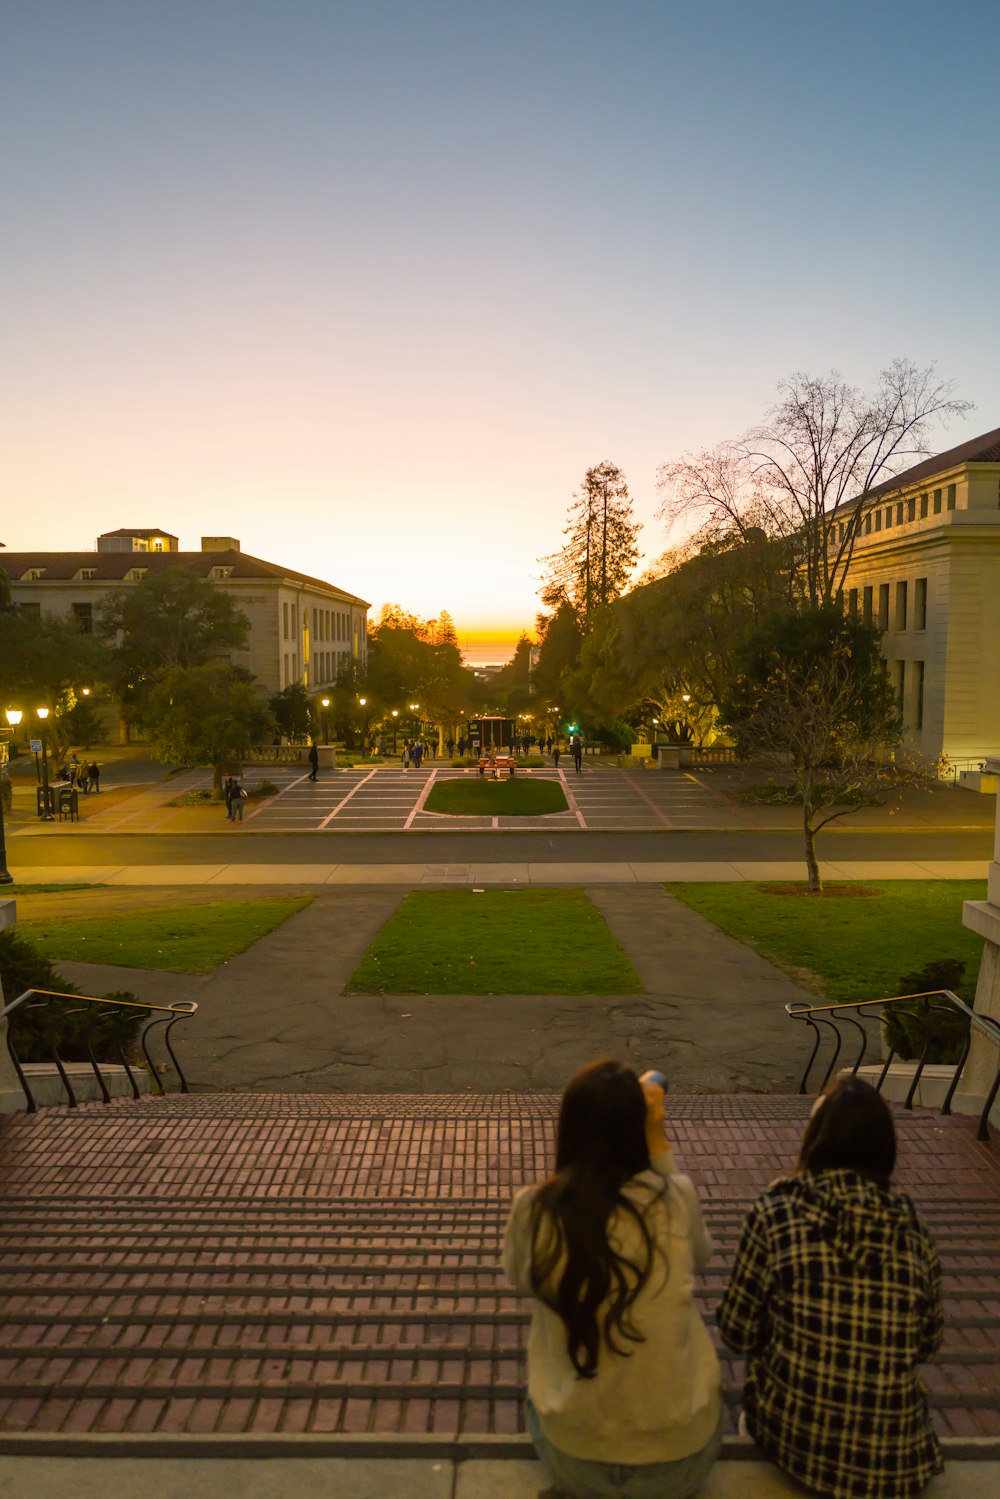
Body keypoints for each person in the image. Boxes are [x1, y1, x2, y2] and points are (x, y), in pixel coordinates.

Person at [504, 1059, 722, 1499]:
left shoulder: (534, 1207)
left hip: (575, 1459)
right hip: (680, 1462)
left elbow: (522, 1278)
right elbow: (701, 1257)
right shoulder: (676, 1197)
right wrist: (658, 1141)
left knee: (540, 1374)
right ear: (638, 1132)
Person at [718, 1077, 943, 1499]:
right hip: (898, 1460)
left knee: (745, 1410)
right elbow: (927, 1344)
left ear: (814, 1138)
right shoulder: (912, 1227)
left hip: (797, 1443)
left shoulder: (777, 1211)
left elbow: (737, 1331)